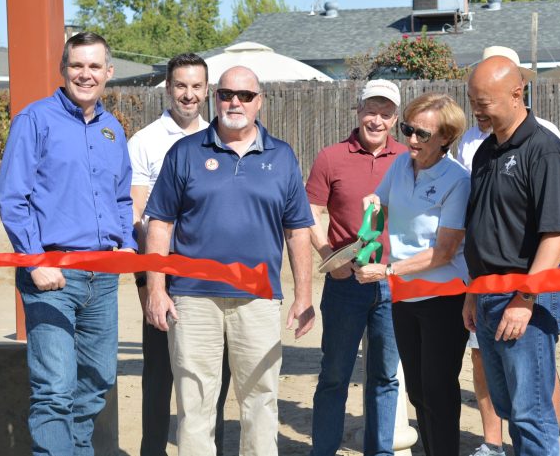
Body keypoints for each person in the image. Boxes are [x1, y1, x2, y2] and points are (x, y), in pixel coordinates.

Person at [143, 65, 315, 456]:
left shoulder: (283, 156)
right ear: (214, 98)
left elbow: (298, 230)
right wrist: (156, 288)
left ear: (260, 102)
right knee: (195, 404)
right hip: (192, 298)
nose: (234, 102)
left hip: (258, 298)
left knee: (261, 400)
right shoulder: (185, 152)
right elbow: (160, 226)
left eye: (245, 95)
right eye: (226, 94)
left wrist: (303, 295)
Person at [0, 32, 136, 455]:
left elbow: (121, 197)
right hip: (50, 275)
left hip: (102, 279)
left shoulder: (113, 130)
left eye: (95, 66)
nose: (85, 74)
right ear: (64, 69)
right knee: (55, 390)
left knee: (95, 384)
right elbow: (13, 197)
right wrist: (36, 262)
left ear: (108, 73)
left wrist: (126, 241)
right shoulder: (34, 120)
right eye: (77, 65)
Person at [463, 56, 560, 456]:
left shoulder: (544, 151)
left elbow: (557, 233)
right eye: (472, 100)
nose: (476, 110)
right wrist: (472, 292)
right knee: (512, 407)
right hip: (489, 297)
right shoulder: (485, 152)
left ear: (517, 94)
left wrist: (525, 298)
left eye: (483, 102)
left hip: (526, 299)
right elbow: (483, 229)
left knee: (531, 412)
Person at [127, 53, 231, 456]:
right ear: (168, 88)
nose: (189, 95)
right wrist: (147, 281)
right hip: (165, 276)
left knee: (211, 379)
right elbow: (137, 216)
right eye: (181, 86)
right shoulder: (146, 142)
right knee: (159, 377)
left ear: (207, 91)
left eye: (197, 86)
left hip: (210, 277)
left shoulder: (223, 136)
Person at [355, 92, 470, 456]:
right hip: (405, 296)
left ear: (446, 139)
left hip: (443, 298)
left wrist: (388, 268)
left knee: (438, 389)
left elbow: (445, 250)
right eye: (408, 130)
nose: (412, 140)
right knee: (418, 391)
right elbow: (380, 207)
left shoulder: (458, 180)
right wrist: (370, 218)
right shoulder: (402, 166)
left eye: (422, 134)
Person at [306, 80, 404, 455]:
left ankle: (380, 451)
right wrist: (332, 259)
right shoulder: (331, 157)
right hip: (346, 284)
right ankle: (324, 450)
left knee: (384, 377)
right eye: (370, 111)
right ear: (358, 110)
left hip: (392, 283)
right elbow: (311, 213)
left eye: (385, 113)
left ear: (395, 118)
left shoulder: (409, 158)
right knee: (334, 375)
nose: (376, 120)